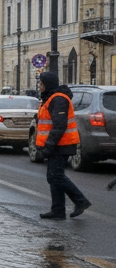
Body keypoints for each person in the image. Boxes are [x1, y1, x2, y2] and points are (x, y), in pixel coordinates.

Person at [35, 70, 91, 220]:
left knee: (56, 175)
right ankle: (58, 210)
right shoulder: (50, 98)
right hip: (56, 144)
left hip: (62, 144)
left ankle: (80, 201)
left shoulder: (58, 99)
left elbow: (59, 126)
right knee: (53, 177)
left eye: (41, 83)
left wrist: (49, 145)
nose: (39, 86)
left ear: (47, 84)